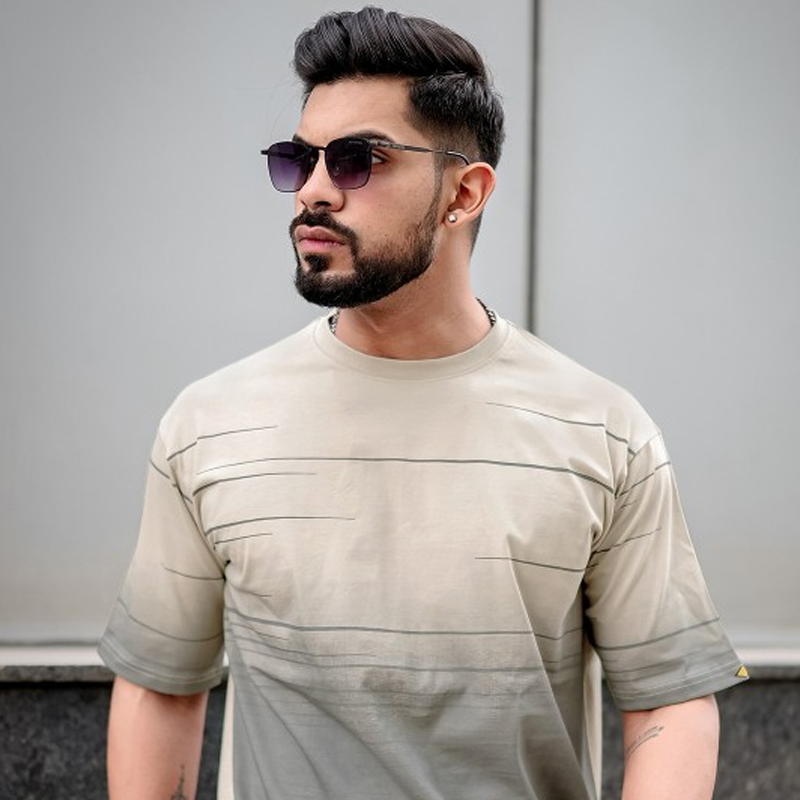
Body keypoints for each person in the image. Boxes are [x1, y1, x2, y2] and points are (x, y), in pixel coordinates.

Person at [99, 7, 747, 800]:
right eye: (298, 160)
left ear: (463, 193)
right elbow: (162, 687)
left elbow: (669, 704)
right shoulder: (209, 426)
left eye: (357, 161)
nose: (313, 192)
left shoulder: (603, 433)